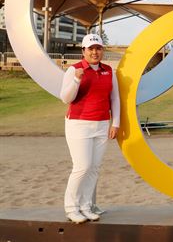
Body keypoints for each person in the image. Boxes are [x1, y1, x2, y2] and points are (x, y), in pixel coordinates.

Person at [60, 33, 120, 224]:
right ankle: (71, 208)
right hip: (79, 124)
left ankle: (86, 206)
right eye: (91, 49)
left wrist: (115, 122)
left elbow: (115, 98)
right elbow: (65, 98)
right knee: (82, 167)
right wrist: (77, 80)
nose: (95, 52)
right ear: (83, 51)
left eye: (98, 48)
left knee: (94, 168)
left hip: (102, 124)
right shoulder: (74, 70)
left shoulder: (109, 71)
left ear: (102, 50)